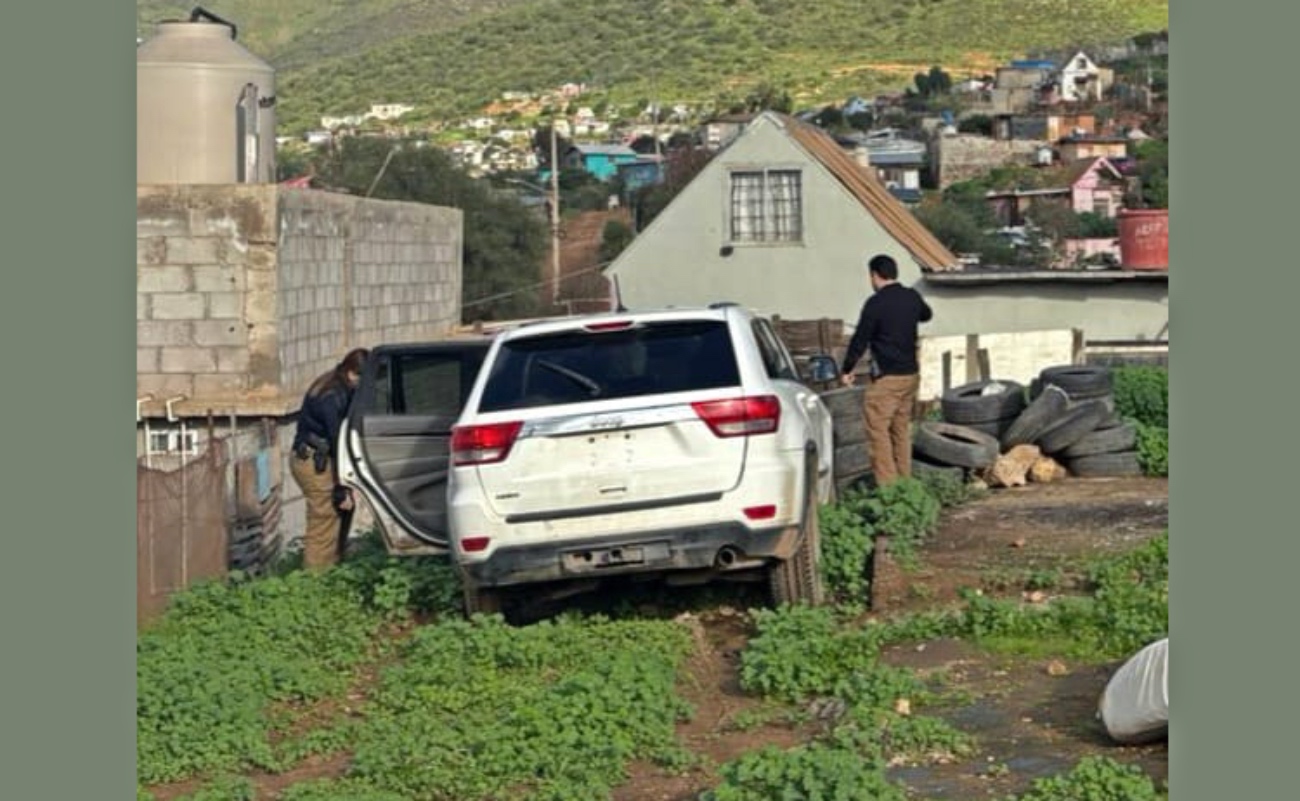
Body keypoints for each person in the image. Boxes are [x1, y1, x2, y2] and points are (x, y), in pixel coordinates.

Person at [840, 254, 933, 486]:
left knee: (877, 431)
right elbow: (926, 314)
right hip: (910, 375)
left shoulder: (875, 303)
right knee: (900, 430)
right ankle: (905, 483)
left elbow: (860, 339)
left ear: (874, 275)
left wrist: (847, 368)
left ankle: (889, 488)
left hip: (887, 379)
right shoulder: (911, 296)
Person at [290, 347, 370, 570]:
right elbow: (336, 440)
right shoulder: (331, 396)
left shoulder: (340, 386)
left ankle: (333, 566)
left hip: (324, 458)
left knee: (343, 509)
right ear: (353, 374)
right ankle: (315, 579)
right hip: (315, 461)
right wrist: (340, 486)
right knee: (324, 517)